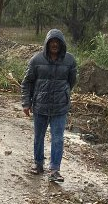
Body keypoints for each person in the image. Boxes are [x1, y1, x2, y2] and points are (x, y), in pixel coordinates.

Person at [21, 28, 77, 183]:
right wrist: (27, 103)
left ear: (62, 44)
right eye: (51, 42)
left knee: (58, 139)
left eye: (57, 42)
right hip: (40, 106)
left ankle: (54, 170)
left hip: (60, 108)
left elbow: (71, 82)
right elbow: (26, 83)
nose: (54, 45)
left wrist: (63, 94)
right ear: (47, 43)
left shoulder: (70, 61)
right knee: (39, 137)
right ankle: (38, 164)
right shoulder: (36, 60)